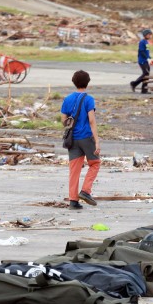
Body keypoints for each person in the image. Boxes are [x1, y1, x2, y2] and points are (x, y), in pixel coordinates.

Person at [61, 70, 101, 210]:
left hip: (72, 140)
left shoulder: (67, 99)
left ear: (74, 82)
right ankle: (85, 191)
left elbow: (63, 121)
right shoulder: (89, 99)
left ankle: (73, 201)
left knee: (74, 170)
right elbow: (91, 120)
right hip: (86, 137)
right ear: (88, 82)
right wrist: (97, 140)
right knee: (95, 163)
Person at [130, 29, 153, 94]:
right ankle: (134, 83)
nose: (150, 36)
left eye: (150, 35)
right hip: (142, 61)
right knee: (145, 74)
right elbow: (141, 51)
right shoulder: (142, 42)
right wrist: (147, 58)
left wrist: (150, 58)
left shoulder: (146, 42)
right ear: (145, 35)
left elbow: (147, 52)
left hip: (146, 60)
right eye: (149, 35)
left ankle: (144, 90)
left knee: (147, 74)